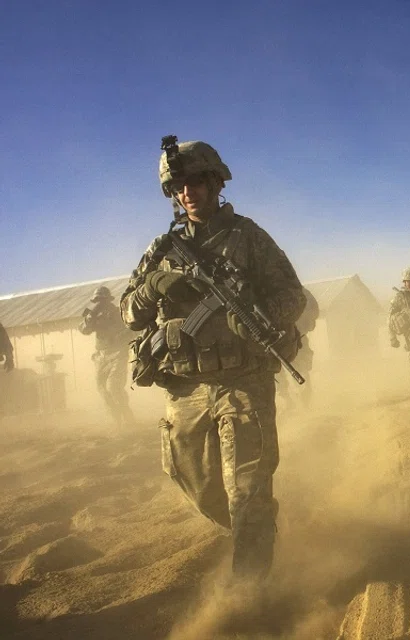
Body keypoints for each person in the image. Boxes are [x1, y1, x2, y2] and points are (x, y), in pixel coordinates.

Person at [120, 139, 305, 580]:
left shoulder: (248, 238)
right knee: (199, 487)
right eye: (178, 186)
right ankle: (253, 528)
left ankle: (250, 596)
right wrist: (154, 286)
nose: (187, 192)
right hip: (185, 387)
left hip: (243, 381)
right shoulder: (161, 248)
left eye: (196, 181)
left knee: (247, 491)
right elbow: (128, 312)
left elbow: (292, 296)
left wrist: (261, 318)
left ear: (216, 182)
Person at [78, 286, 135, 427]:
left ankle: (126, 414)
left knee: (113, 387)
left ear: (108, 300)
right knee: (102, 389)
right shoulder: (93, 314)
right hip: (101, 355)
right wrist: (89, 320)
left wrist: (119, 337)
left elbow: (132, 329)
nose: (100, 303)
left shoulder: (118, 312)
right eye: (97, 300)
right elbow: (84, 330)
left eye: (102, 299)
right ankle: (116, 419)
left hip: (117, 353)